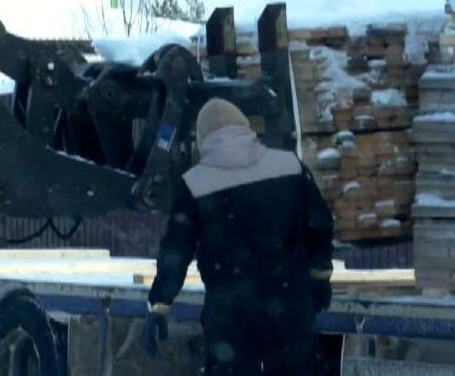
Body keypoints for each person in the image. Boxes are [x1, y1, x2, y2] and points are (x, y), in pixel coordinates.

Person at [142, 98, 334, 375]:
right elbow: (320, 224)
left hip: (229, 318)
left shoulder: (195, 184)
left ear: (202, 140)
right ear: (246, 127)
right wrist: (319, 277)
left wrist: (159, 304)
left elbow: (177, 251)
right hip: (289, 308)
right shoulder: (289, 166)